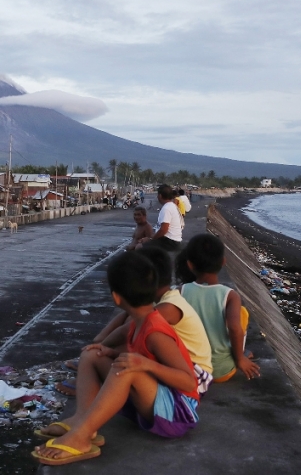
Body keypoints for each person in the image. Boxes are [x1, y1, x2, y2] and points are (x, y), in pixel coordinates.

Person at [33, 252, 200, 466]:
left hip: (178, 412)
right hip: (155, 400)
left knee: (127, 368)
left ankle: (81, 438)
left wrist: (146, 364)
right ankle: (82, 421)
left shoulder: (156, 332)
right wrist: (108, 351)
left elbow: (188, 381)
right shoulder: (136, 323)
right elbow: (109, 342)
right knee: (93, 354)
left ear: (116, 298)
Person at [178, 234, 260, 382]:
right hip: (221, 372)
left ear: (189, 265)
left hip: (188, 369)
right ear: (223, 262)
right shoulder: (229, 295)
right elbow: (235, 328)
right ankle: (240, 353)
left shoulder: (180, 291)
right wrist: (240, 359)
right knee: (242, 313)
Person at [145, 184, 182, 251]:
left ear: (160, 196)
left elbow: (163, 230)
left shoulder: (166, 208)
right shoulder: (172, 206)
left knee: (140, 246)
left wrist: (151, 239)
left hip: (170, 241)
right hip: (173, 240)